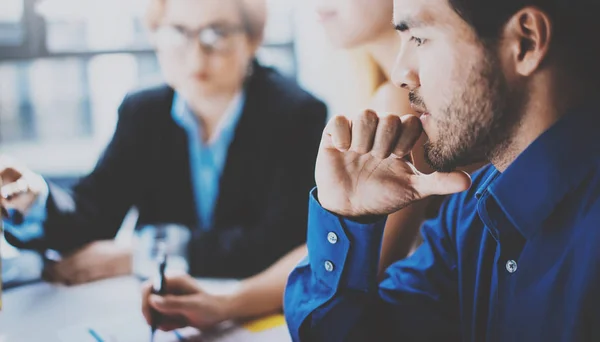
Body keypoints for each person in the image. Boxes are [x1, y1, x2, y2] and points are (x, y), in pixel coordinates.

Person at [139, 0, 484, 332]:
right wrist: (224, 301)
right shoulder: (378, 91)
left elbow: (354, 259)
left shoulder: (400, 106)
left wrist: (227, 303)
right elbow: (330, 247)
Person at [284, 0, 600, 340]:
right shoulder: (471, 209)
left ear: (525, 42)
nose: (399, 74)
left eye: (419, 38)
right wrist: (345, 214)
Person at [0, 0, 327, 284]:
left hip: (252, 303)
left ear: (253, 39)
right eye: (178, 33)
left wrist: (142, 255)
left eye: (218, 33)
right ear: (155, 34)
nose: (196, 55)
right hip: (157, 304)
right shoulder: (143, 111)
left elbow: (283, 243)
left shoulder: (297, 114)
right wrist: (34, 200)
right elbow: (94, 212)